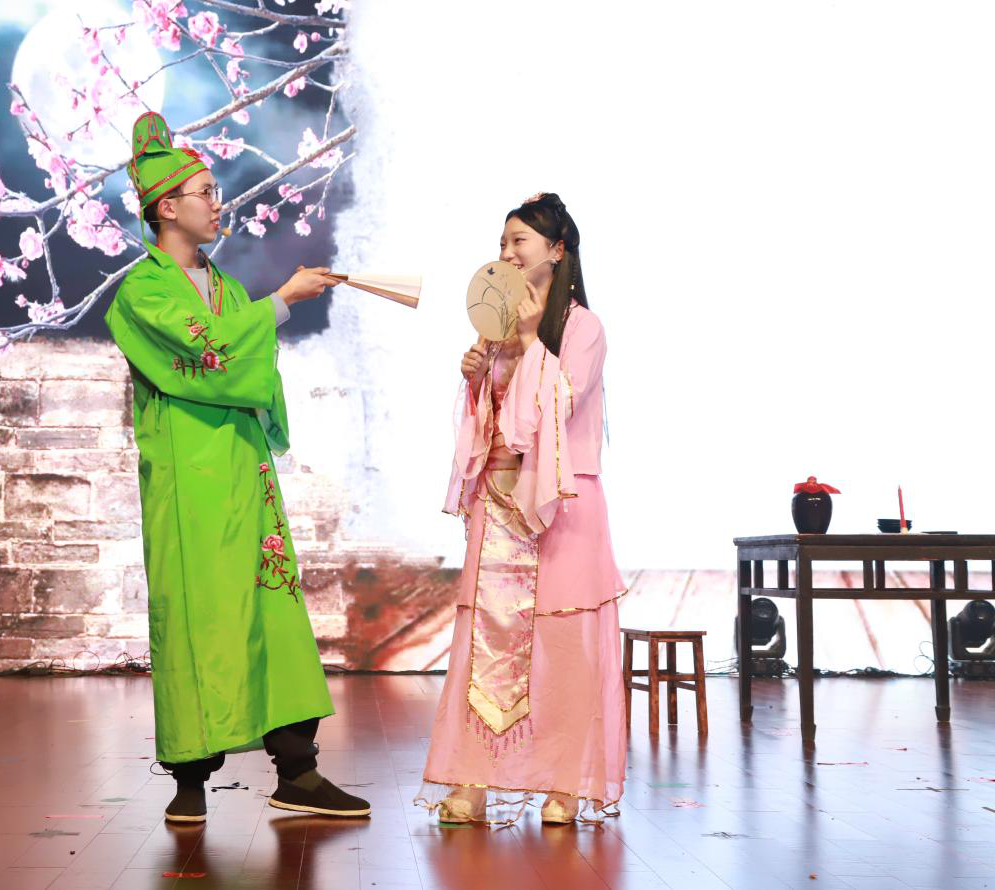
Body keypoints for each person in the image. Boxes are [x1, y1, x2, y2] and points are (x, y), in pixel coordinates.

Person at [104, 111, 370, 823]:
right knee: (200, 617)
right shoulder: (144, 292)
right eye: (206, 193)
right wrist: (279, 303)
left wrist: (268, 309)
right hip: (189, 483)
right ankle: (190, 777)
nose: (217, 204)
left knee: (272, 613)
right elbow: (212, 356)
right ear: (167, 207)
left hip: (242, 471)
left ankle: (297, 767)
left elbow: (237, 348)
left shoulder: (220, 287)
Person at [419, 192, 627, 825]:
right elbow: (491, 422)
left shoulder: (583, 327)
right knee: (484, 639)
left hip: (561, 502)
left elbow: (561, 403)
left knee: (563, 646)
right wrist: (477, 375)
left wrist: (533, 339)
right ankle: (472, 781)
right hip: (500, 497)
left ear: (556, 250)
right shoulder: (496, 322)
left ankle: (565, 784)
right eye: (503, 242)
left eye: (519, 242)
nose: (507, 253)